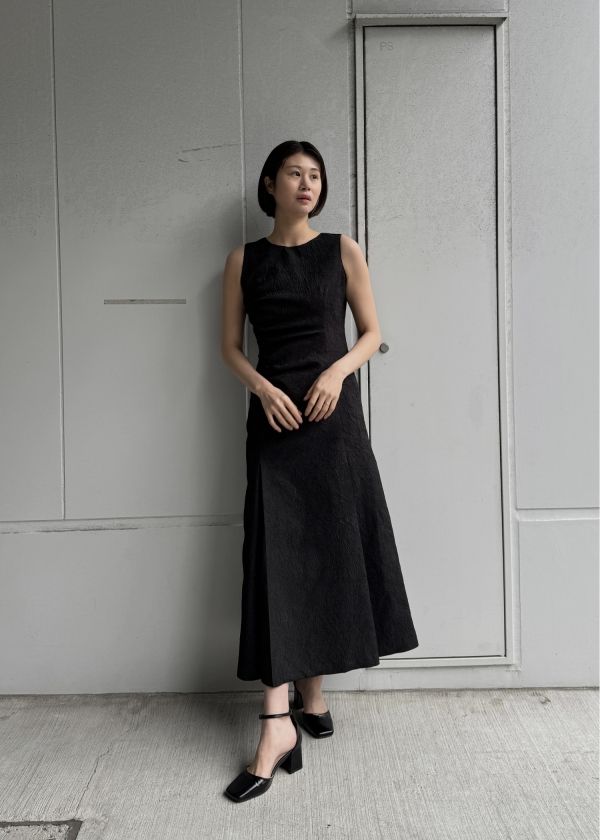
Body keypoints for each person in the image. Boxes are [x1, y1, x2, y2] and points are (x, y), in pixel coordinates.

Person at [220, 140, 418, 802]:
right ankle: (278, 723)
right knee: (277, 560)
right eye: (294, 174)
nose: (307, 184)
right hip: (275, 424)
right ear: (269, 184)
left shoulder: (341, 250)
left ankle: (311, 698)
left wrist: (336, 373)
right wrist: (261, 389)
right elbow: (228, 348)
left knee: (330, 549)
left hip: (333, 422)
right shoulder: (244, 260)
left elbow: (370, 332)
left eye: (315, 176)